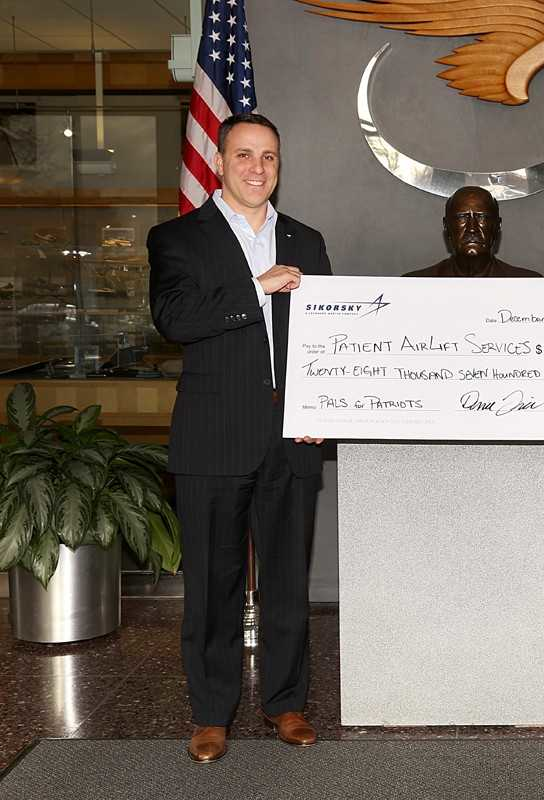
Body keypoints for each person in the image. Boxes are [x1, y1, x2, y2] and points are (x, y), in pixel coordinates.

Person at [148, 112, 331, 764]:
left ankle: (286, 704)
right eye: (246, 155)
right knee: (213, 584)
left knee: (287, 583)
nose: (258, 168)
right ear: (219, 162)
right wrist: (255, 291)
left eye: (270, 157)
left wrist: (326, 403)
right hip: (214, 438)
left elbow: (325, 340)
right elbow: (174, 318)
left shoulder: (306, 240)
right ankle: (211, 714)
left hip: (294, 439)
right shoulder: (178, 238)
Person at [404, 186, 542, 277]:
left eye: (482, 217)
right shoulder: (412, 285)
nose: (472, 228)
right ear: (446, 226)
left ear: (497, 225)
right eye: (461, 217)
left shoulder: (529, 285)